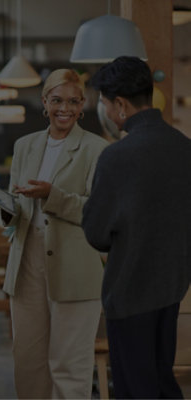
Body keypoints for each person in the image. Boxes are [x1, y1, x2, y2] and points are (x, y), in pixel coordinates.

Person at [82, 56, 191, 399]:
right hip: (172, 289)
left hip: (130, 293)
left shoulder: (116, 157)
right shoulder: (185, 149)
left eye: (103, 103)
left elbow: (96, 233)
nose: (104, 111)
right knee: (161, 382)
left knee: (134, 389)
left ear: (120, 104)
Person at [1, 69, 108, 399]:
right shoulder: (24, 146)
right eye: (57, 100)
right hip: (27, 260)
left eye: (74, 101)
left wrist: (52, 195)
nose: (66, 108)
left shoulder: (97, 149)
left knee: (69, 364)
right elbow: (16, 207)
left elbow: (97, 212)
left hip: (75, 263)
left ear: (83, 105)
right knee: (28, 359)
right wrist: (5, 208)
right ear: (44, 102)